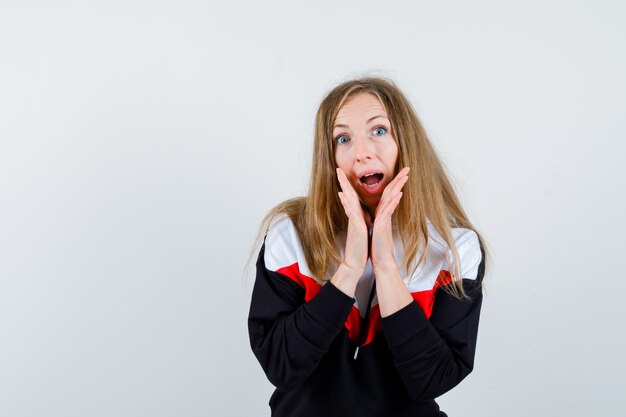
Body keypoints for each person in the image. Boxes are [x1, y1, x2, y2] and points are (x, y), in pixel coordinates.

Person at [247, 77, 488, 417]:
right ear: (328, 157)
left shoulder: (456, 248)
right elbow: (282, 366)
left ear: (406, 142)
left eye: (378, 131)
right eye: (343, 138)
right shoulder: (290, 236)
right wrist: (349, 268)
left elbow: (432, 379)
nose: (362, 152)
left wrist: (386, 266)